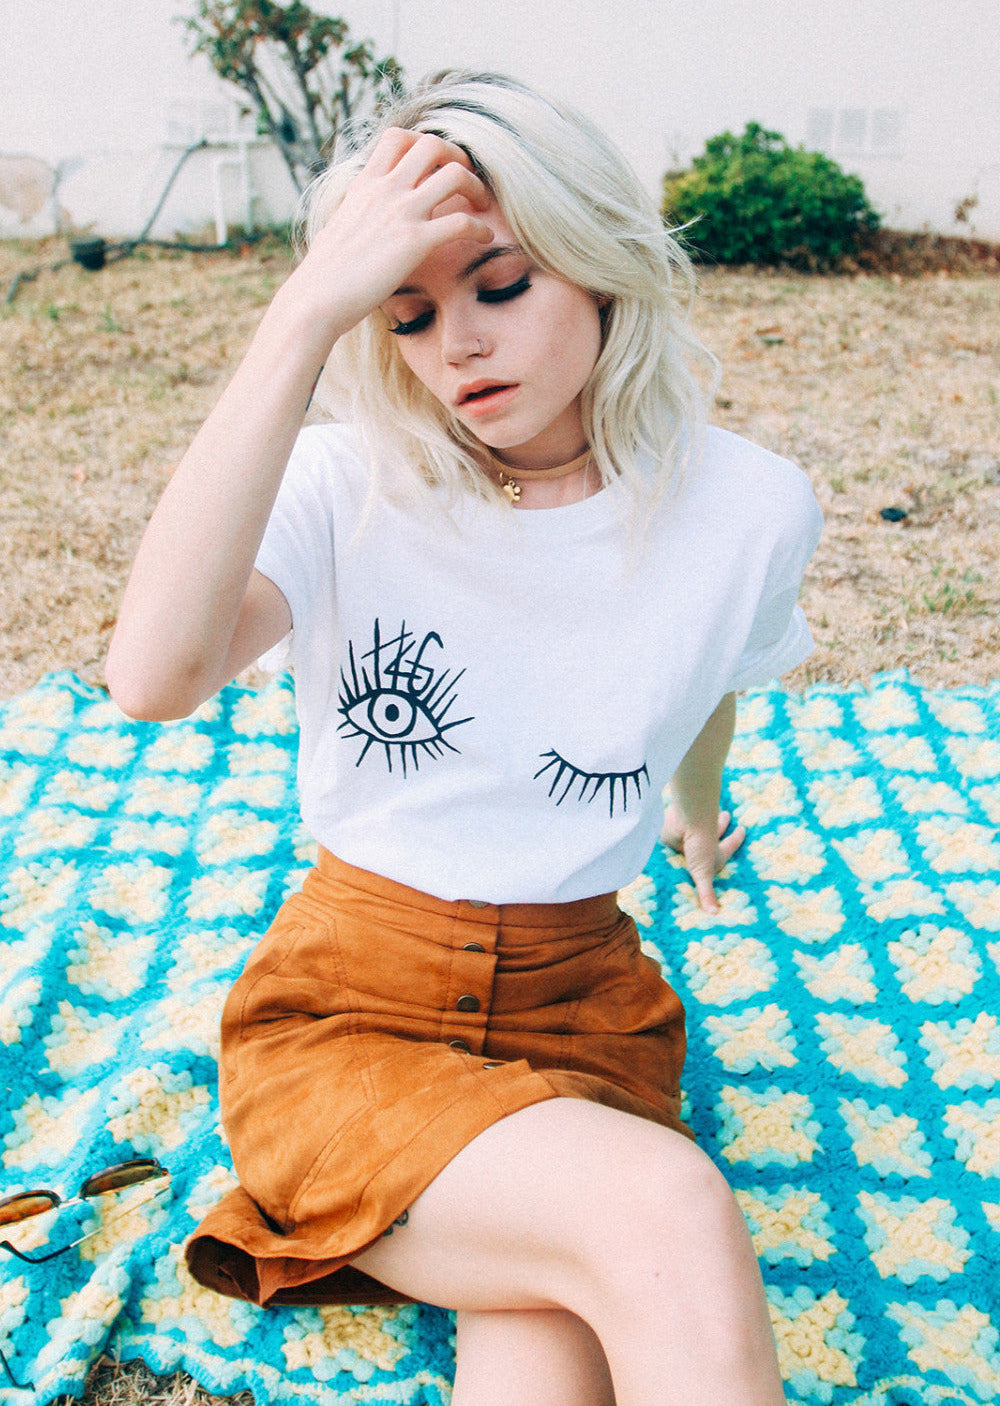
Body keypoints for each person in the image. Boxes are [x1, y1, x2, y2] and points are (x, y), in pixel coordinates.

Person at [107, 70, 822, 1406]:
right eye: (409, 312)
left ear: (600, 265)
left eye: (501, 286)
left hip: (585, 1012)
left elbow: (706, 673)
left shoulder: (750, 508)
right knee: (665, 1210)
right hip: (345, 1019)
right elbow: (152, 676)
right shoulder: (345, 485)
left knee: (552, 1347)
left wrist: (699, 808)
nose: (457, 349)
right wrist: (301, 312)